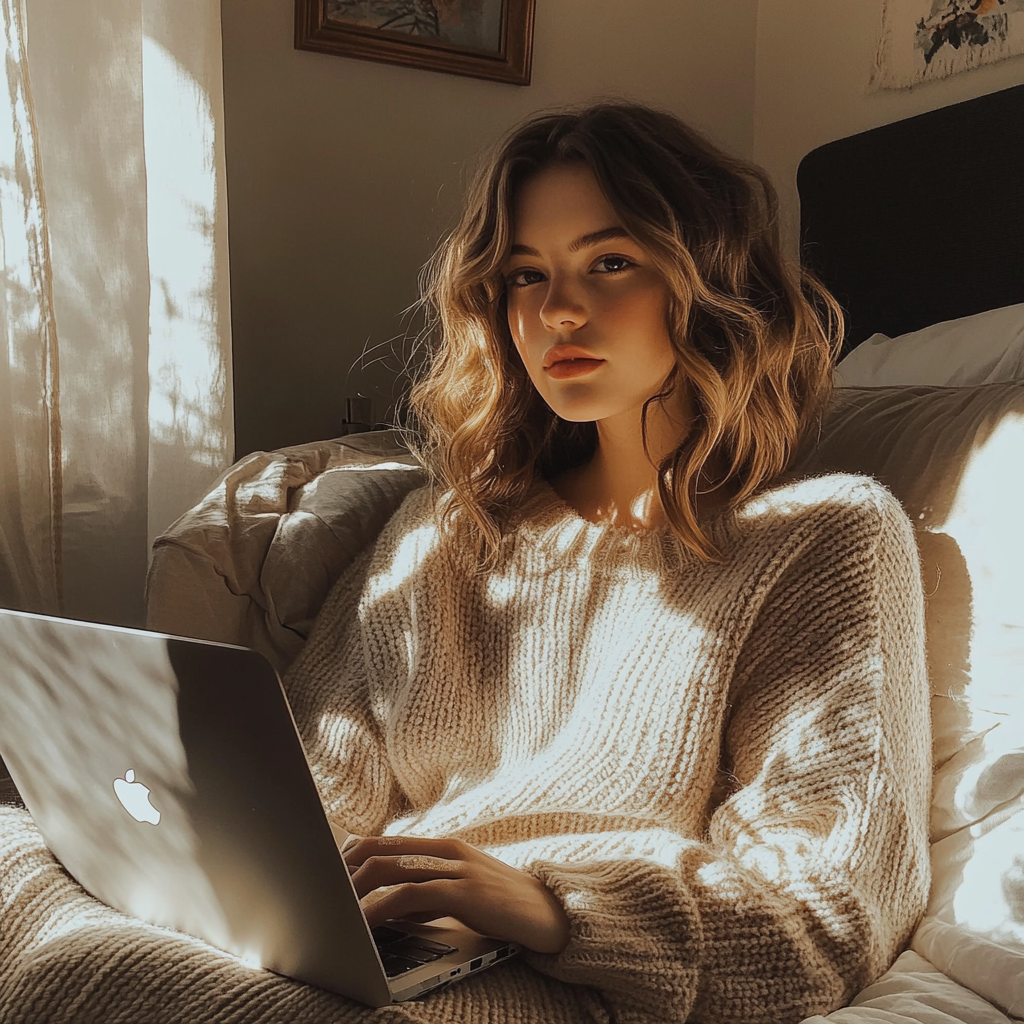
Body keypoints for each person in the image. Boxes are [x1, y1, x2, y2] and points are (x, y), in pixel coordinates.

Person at [279, 102, 932, 1024]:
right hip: (382, 943)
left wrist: (550, 905)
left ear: (709, 281)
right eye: (525, 274)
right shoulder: (444, 533)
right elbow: (307, 788)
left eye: (610, 263)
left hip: (559, 975)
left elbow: (828, 913)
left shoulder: (823, 541)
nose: (558, 312)